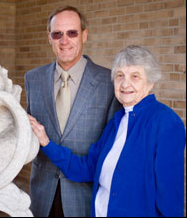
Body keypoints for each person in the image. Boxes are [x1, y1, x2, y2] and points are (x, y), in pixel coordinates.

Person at [29, 45, 186, 217]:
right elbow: (88, 169)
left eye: (135, 76)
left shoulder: (165, 122)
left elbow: (171, 197)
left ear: (151, 82)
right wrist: (46, 142)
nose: (125, 84)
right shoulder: (116, 122)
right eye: (120, 76)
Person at [24, 6, 121, 217]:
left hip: (83, 197)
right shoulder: (33, 79)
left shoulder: (109, 82)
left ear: (84, 35)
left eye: (72, 33)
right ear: (49, 38)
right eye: (57, 34)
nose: (64, 40)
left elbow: (110, 151)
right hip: (42, 195)